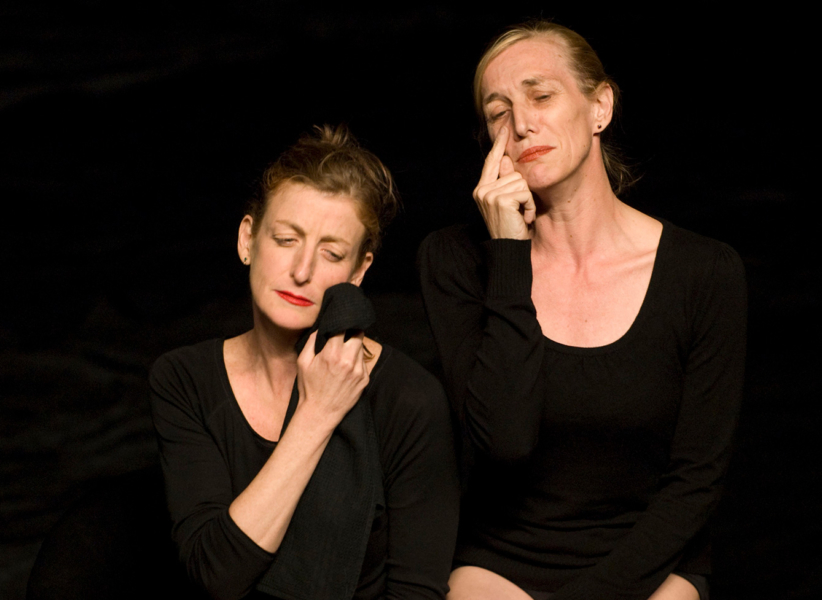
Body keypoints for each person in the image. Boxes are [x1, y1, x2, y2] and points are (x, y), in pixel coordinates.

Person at [418, 20, 746, 600]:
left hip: (651, 564)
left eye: (541, 96)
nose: (522, 124)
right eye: (498, 113)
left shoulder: (705, 272)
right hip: (504, 562)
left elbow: (696, 482)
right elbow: (505, 442)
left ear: (600, 108)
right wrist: (509, 253)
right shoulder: (456, 260)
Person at [150, 124, 460, 600]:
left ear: (358, 271)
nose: (302, 271)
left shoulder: (409, 399)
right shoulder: (183, 379)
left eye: (331, 253)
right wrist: (317, 413)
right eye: (286, 239)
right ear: (247, 239)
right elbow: (216, 574)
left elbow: (417, 592)